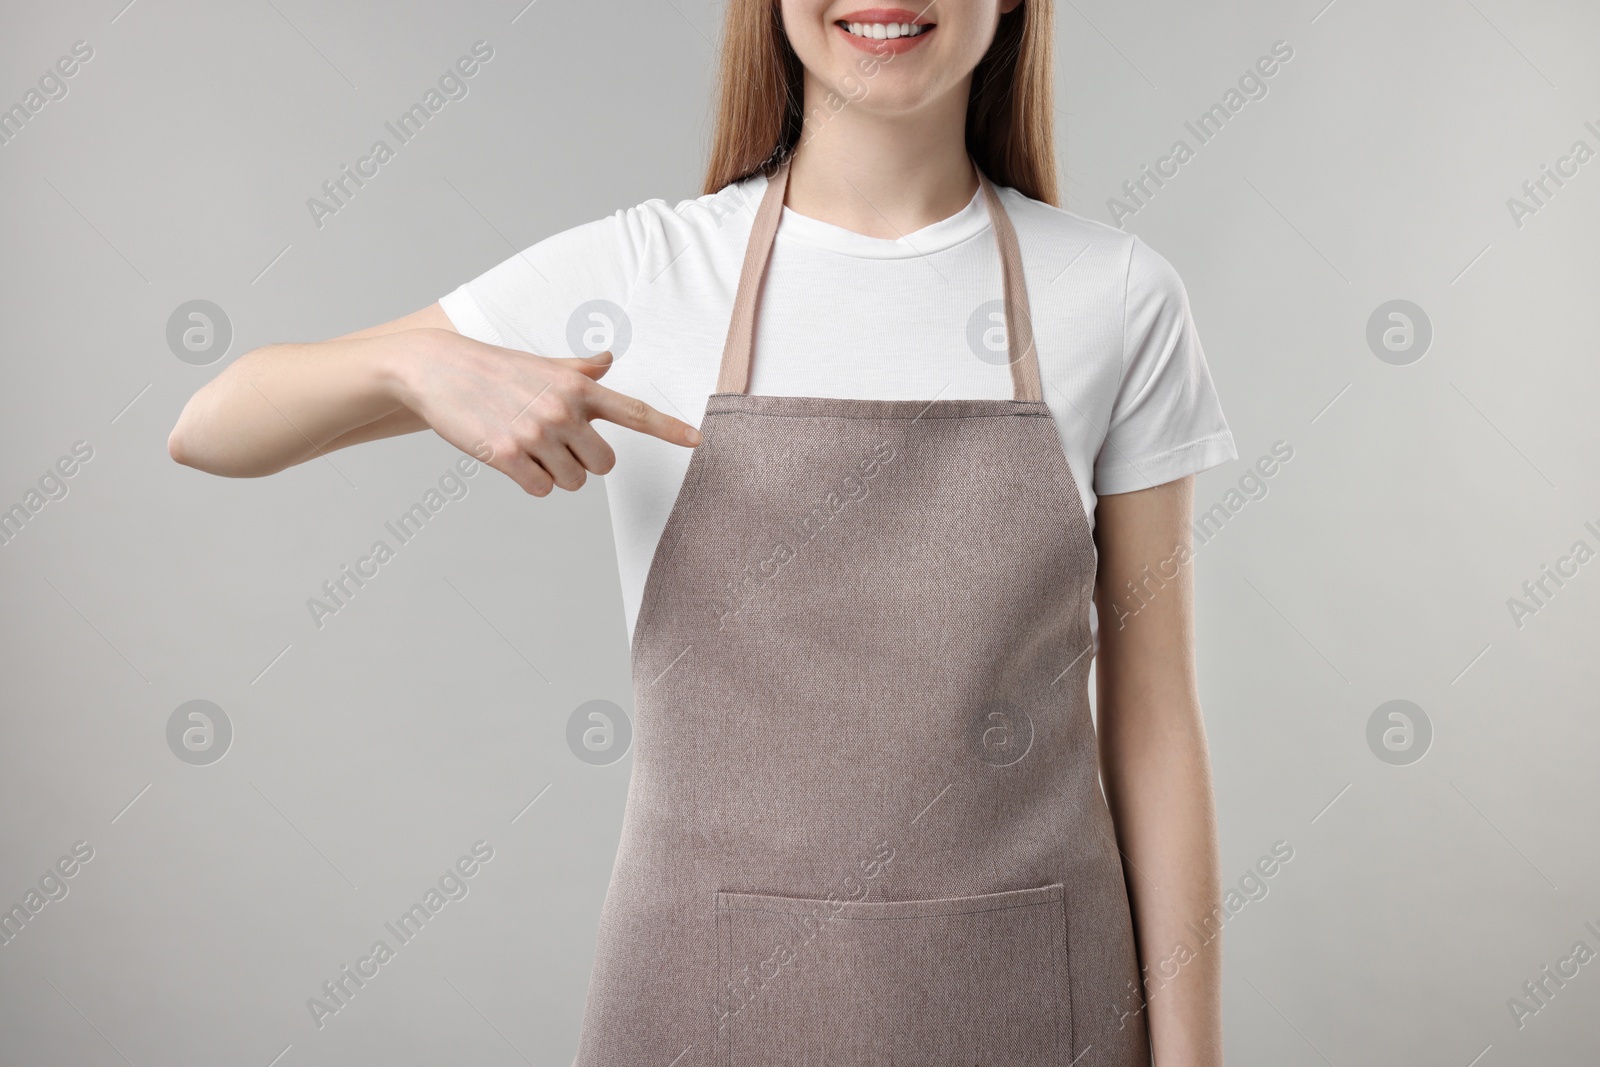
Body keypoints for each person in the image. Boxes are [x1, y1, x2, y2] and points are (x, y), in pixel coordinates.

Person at [169, 1, 1236, 1063]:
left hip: (1037, 997)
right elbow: (211, 427)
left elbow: (1153, 725)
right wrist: (407, 363)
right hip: (702, 994)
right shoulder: (644, 275)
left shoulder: (1117, 296)